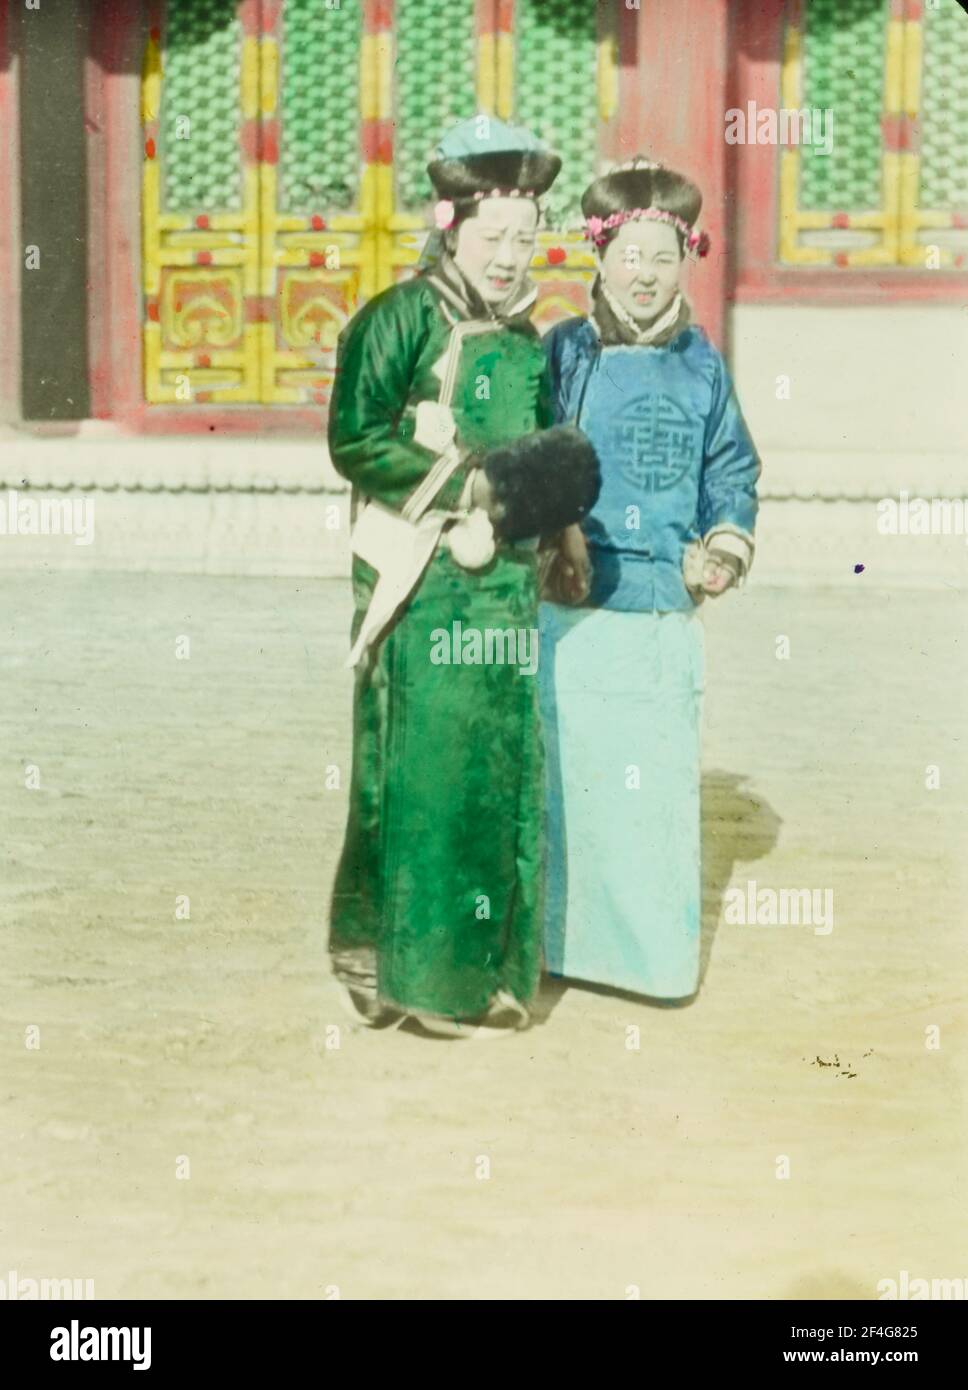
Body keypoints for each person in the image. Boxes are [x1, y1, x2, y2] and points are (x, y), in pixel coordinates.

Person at [327, 116, 599, 1036]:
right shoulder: (398, 318)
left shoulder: (526, 337)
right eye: (493, 239)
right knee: (419, 771)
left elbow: (547, 451)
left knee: (496, 769)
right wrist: (464, 482)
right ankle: (410, 975)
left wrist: (564, 535)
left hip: (505, 585)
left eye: (525, 240)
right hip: (421, 573)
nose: (510, 257)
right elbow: (354, 440)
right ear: (451, 228)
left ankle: (487, 973)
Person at [539, 156, 760, 1000]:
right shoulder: (562, 354)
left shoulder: (704, 367)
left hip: (661, 612)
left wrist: (720, 551)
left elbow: (730, 471)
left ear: (685, 261)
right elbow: (531, 460)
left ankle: (648, 968)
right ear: (598, 257)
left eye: (662, 258)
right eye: (629, 255)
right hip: (571, 611)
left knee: (652, 795)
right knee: (571, 783)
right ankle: (563, 950)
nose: (644, 274)